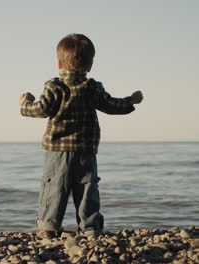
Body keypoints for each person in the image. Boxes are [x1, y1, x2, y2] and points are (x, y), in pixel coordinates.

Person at [19, 33, 143, 239]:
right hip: (86, 149)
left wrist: (25, 104)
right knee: (87, 188)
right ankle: (91, 229)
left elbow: (39, 110)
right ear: (90, 65)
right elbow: (112, 105)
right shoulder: (92, 87)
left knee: (53, 187)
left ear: (59, 63)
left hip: (56, 150)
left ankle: (48, 228)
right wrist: (131, 100)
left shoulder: (54, 87)